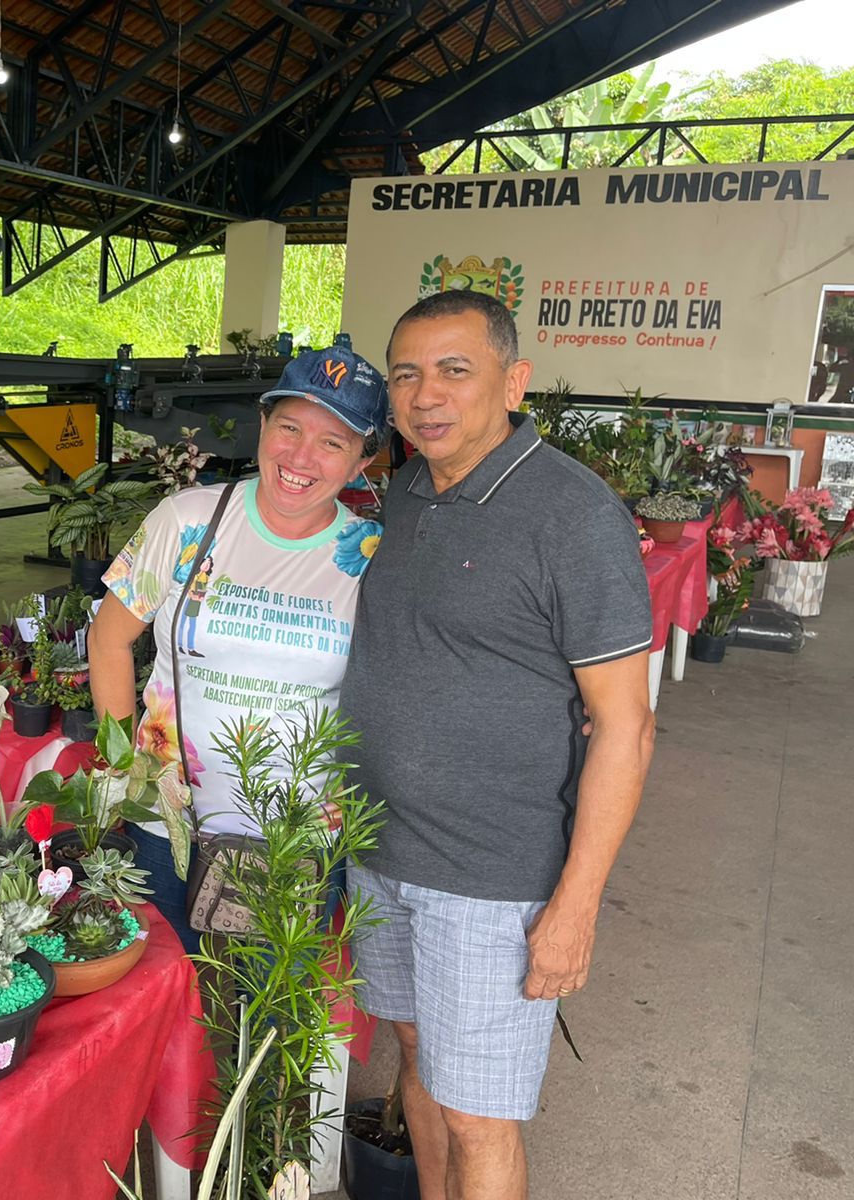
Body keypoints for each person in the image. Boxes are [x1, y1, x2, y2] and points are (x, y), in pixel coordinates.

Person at [340, 291, 656, 1200]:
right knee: (416, 1059)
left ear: (514, 381)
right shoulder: (403, 490)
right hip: (380, 850)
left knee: (482, 1117)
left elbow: (627, 730)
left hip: (492, 876)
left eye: (454, 369)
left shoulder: (571, 514)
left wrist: (576, 907)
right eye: (406, 373)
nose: (426, 394)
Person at [88, 335, 388, 945]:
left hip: (299, 834)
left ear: (362, 462)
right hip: (165, 818)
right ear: (262, 425)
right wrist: (127, 770)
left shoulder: (373, 556)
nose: (302, 456)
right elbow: (108, 641)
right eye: (289, 428)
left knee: (272, 1012)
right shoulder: (186, 520)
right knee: (167, 1002)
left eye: (333, 441)